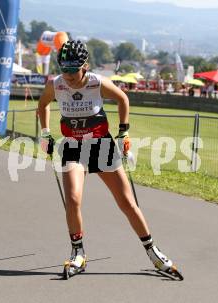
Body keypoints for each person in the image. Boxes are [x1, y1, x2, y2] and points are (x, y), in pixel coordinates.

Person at [38, 40, 179, 276]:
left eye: (74, 70)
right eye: (65, 69)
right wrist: (45, 133)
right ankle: (78, 254)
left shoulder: (96, 82)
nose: (69, 76)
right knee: (72, 199)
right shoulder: (57, 84)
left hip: (101, 146)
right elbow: (42, 105)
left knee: (126, 203)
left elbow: (123, 99)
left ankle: (153, 251)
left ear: (85, 66)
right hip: (73, 146)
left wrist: (124, 132)